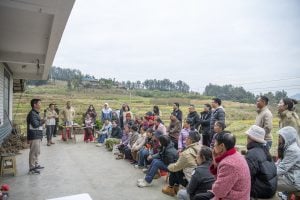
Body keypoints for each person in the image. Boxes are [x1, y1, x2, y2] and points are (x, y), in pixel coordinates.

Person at [210, 131, 251, 199]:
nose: (213, 146)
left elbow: (219, 192)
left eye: (215, 143)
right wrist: (215, 160)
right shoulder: (236, 154)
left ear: (222, 146)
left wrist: (214, 186)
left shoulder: (228, 164)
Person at [163, 131, 201, 196]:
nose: (185, 139)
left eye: (187, 138)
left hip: (190, 181)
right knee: (177, 167)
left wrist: (168, 167)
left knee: (174, 168)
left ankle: (170, 188)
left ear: (190, 140)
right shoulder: (201, 147)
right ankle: (175, 187)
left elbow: (175, 167)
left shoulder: (187, 153)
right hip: (198, 177)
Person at [244, 125, 277, 199]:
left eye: (248, 137)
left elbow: (247, 176)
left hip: (262, 192)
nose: (247, 139)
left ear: (251, 138)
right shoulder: (265, 150)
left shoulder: (252, 153)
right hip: (270, 188)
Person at [277, 126, 300, 194]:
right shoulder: (288, 146)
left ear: (286, 137)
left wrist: (267, 174)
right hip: (291, 177)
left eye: (280, 137)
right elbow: (280, 163)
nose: (278, 139)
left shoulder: (292, 150)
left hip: (295, 181)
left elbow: (282, 168)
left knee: (269, 184)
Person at [26, 99, 46, 174]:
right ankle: (32, 168)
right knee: (33, 152)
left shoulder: (35, 113)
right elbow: (35, 125)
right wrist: (42, 121)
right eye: (39, 103)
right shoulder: (32, 114)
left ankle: (36, 164)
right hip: (34, 135)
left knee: (37, 152)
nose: (40, 104)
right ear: (35, 105)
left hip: (37, 135)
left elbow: (37, 123)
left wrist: (41, 121)